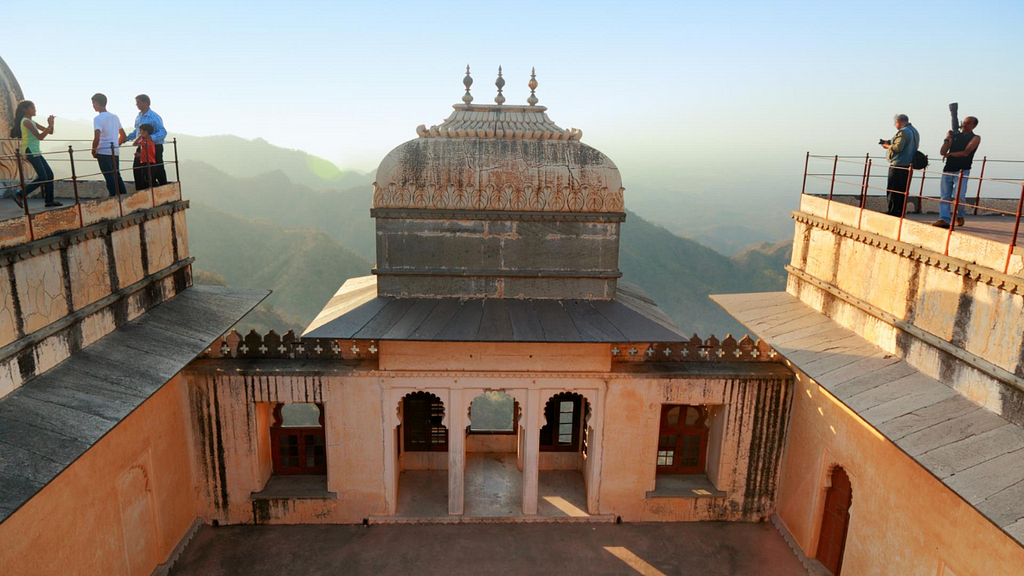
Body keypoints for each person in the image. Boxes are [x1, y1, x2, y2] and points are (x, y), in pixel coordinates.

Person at [8, 100, 61, 208]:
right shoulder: (26, 122)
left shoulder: (31, 122)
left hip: (35, 151)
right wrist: (49, 125)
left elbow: (49, 131)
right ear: (25, 110)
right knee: (43, 176)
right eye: (32, 108)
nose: (35, 110)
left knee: (49, 175)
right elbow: (40, 136)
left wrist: (51, 124)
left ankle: (49, 200)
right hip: (30, 151)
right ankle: (19, 195)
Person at [933, 116, 981, 228]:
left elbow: (966, 152)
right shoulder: (955, 136)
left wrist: (950, 154)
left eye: (968, 123)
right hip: (948, 169)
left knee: (959, 196)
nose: (964, 124)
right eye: (964, 122)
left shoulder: (975, 138)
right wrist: (947, 138)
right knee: (945, 196)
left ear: (974, 126)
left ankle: (961, 214)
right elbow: (943, 151)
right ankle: (944, 219)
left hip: (962, 170)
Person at [880, 114, 920, 217]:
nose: (895, 125)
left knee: (893, 190)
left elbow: (898, 147)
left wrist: (887, 146)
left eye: (895, 123)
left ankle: (892, 211)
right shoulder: (914, 131)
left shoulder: (903, 132)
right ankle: (900, 211)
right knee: (902, 190)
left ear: (898, 122)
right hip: (908, 165)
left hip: (898, 165)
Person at [124, 94, 168, 187]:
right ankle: (140, 188)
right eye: (136, 103)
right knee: (137, 168)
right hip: (142, 145)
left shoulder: (154, 116)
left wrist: (151, 137)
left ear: (146, 103)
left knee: (157, 168)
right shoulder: (139, 116)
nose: (137, 105)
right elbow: (137, 131)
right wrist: (127, 138)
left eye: (139, 102)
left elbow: (163, 131)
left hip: (154, 146)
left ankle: (163, 186)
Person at [91, 93, 127, 197]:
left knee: (109, 176)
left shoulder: (98, 119)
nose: (93, 105)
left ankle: (113, 197)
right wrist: (116, 145)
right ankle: (124, 196)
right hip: (114, 151)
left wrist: (93, 150)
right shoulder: (115, 117)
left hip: (103, 151)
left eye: (93, 103)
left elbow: (97, 138)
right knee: (117, 175)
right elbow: (123, 136)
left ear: (97, 103)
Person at [132, 123, 157, 190]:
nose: (140, 132)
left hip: (148, 162)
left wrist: (140, 137)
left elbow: (134, 144)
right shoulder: (145, 141)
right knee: (146, 177)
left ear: (146, 132)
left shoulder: (147, 142)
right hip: (146, 161)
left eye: (141, 131)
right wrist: (140, 155)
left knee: (147, 178)